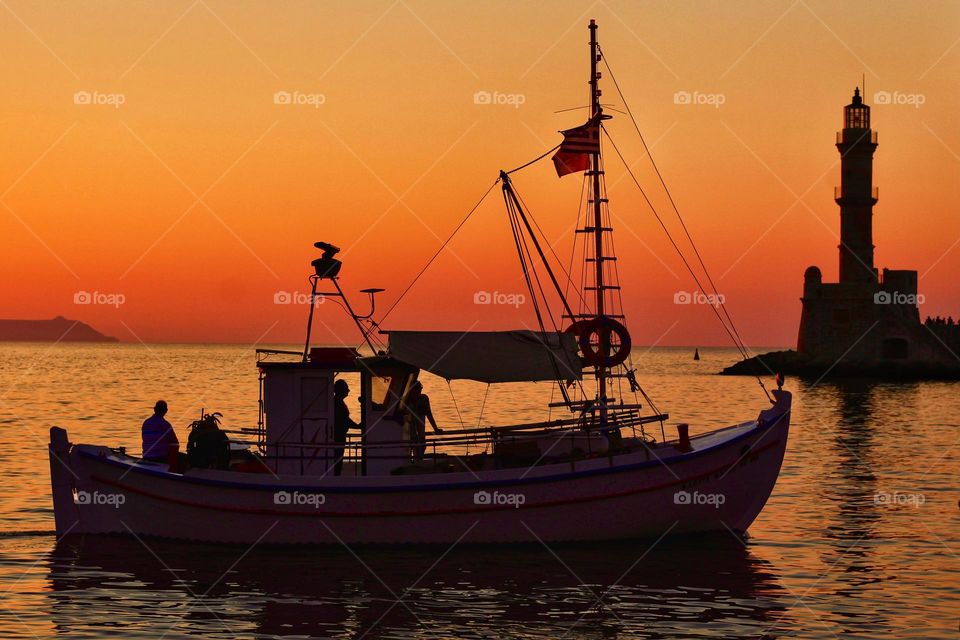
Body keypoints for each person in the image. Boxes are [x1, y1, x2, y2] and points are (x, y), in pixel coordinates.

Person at [403, 381, 442, 461]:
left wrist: (435, 429)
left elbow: (429, 414)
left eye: (420, 389)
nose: (419, 392)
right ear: (411, 391)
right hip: (408, 433)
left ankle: (418, 462)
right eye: (417, 390)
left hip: (420, 432)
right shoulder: (405, 401)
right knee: (409, 450)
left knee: (422, 447)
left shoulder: (424, 399)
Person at [333, 379, 360, 476]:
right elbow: (344, 420)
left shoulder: (338, 402)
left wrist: (357, 426)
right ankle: (336, 476)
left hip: (339, 436)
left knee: (339, 458)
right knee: (338, 458)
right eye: (346, 389)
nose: (348, 391)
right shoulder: (337, 403)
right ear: (341, 390)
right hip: (338, 436)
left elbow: (346, 419)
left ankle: (337, 475)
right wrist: (358, 426)